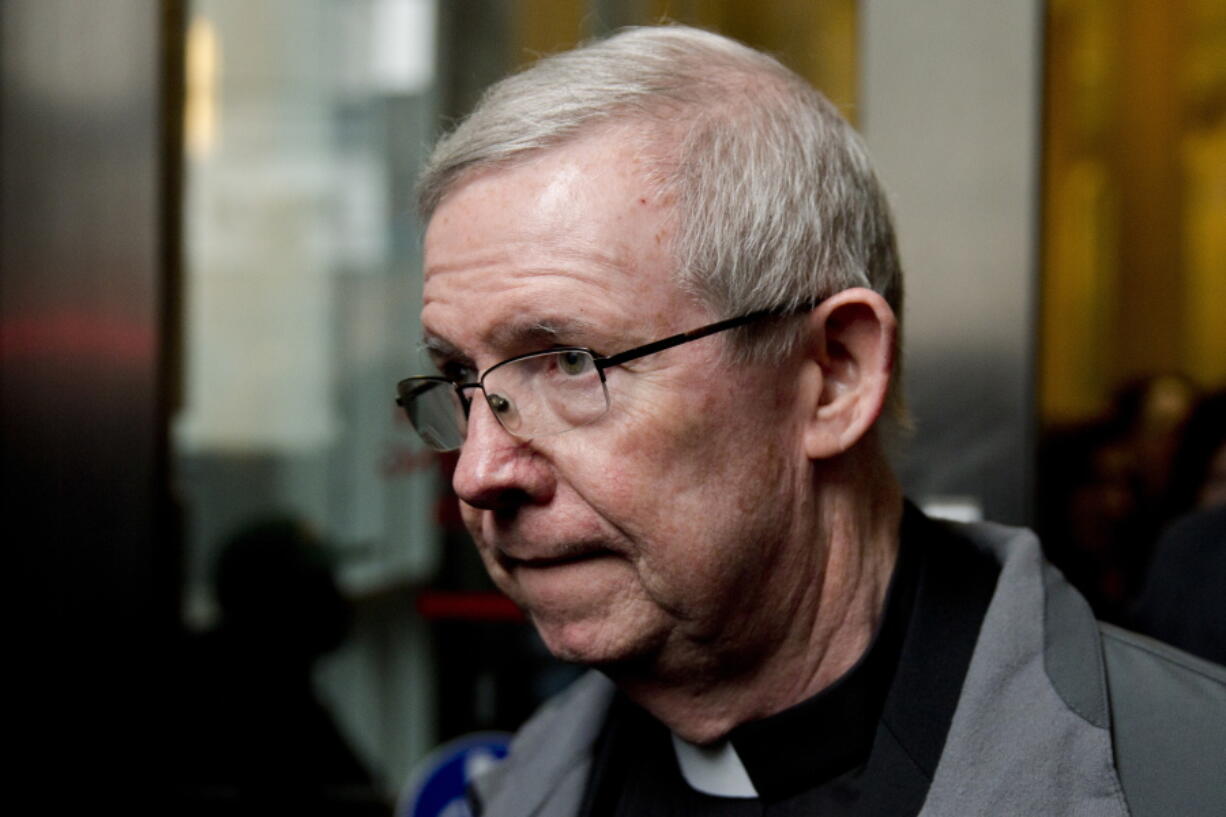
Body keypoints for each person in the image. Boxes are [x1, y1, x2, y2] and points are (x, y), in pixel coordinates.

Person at [395, 25, 1225, 817]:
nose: (479, 472)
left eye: (572, 361)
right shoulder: (513, 793)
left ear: (834, 374)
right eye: (463, 377)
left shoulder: (1187, 775)